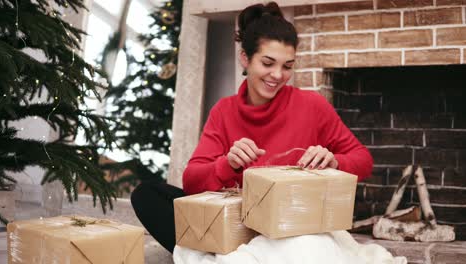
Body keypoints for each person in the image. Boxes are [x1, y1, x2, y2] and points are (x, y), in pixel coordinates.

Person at [131, 1, 373, 255]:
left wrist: (334, 161)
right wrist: (228, 163)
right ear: (245, 58)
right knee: (148, 194)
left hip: (291, 229)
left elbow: (363, 160)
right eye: (268, 63)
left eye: (287, 66)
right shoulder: (224, 111)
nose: (278, 75)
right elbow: (192, 181)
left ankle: (219, 257)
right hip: (237, 225)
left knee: (303, 244)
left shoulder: (311, 105)